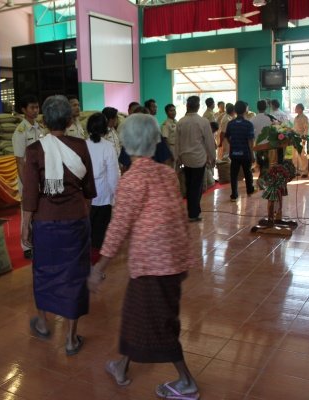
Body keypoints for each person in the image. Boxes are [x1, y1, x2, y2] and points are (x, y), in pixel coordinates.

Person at [88, 113, 201, 400]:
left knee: (160, 324)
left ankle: (187, 382)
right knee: (136, 315)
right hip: (172, 261)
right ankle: (121, 366)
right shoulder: (166, 173)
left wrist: (99, 266)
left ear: (126, 143)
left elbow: (118, 226)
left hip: (154, 265)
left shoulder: (132, 179)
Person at [21, 95, 96, 356]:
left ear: (44, 119)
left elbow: (30, 194)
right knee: (75, 276)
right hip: (76, 220)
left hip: (45, 221)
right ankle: (71, 339)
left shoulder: (34, 150)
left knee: (43, 272)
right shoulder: (81, 146)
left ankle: (43, 322)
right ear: (69, 119)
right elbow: (89, 189)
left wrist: (25, 225)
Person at [175, 95, 216, 221]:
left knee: (189, 184)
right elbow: (209, 141)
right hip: (199, 158)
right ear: (198, 107)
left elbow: (177, 142)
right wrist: (213, 157)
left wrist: (178, 158)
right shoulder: (203, 122)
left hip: (185, 158)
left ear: (187, 106)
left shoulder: (181, 121)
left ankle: (193, 211)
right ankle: (193, 213)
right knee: (196, 186)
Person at [13, 94, 44, 259]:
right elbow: (19, 161)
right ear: (24, 110)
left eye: (37, 107)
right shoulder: (20, 132)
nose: (35, 110)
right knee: (27, 213)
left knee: (38, 212)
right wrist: (26, 185)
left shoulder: (39, 128)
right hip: (28, 179)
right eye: (32, 107)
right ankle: (25, 247)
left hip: (41, 177)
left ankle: (36, 241)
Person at [85, 113, 119, 264]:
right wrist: (115, 195)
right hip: (104, 196)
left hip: (86, 196)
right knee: (100, 231)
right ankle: (95, 263)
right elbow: (113, 175)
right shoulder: (108, 146)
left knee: (88, 229)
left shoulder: (82, 145)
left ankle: (86, 261)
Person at [226, 101, 255, 201]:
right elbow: (250, 141)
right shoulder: (248, 124)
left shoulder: (230, 124)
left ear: (235, 110)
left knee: (234, 174)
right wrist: (252, 154)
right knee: (247, 172)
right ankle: (250, 190)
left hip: (234, 153)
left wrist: (233, 144)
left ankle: (234, 194)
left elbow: (227, 137)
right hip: (245, 153)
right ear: (245, 110)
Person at [292, 103, 309, 178]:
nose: (295, 109)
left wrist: (304, 137)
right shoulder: (296, 118)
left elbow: (307, 128)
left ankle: (304, 171)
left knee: (303, 154)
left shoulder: (304, 118)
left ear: (300, 109)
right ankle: (297, 170)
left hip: (301, 137)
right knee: (295, 154)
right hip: (294, 138)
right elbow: (295, 128)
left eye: (296, 108)